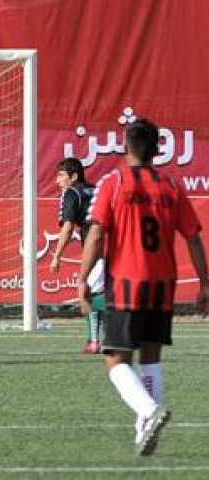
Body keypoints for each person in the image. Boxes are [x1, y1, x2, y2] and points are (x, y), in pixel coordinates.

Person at [78, 118, 209, 456]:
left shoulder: (113, 182)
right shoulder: (172, 187)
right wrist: (204, 283)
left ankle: (148, 410)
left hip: (126, 282)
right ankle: (143, 431)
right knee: (151, 358)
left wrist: (82, 278)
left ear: (124, 146)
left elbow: (96, 234)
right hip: (163, 284)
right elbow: (193, 238)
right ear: (158, 150)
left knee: (115, 359)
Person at [49, 157, 102, 353]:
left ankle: (95, 341)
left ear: (73, 176)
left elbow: (68, 227)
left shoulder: (71, 192)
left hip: (98, 247)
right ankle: (93, 340)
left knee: (90, 295)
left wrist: (57, 256)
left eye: (61, 175)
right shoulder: (95, 189)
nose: (57, 181)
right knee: (98, 292)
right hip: (117, 244)